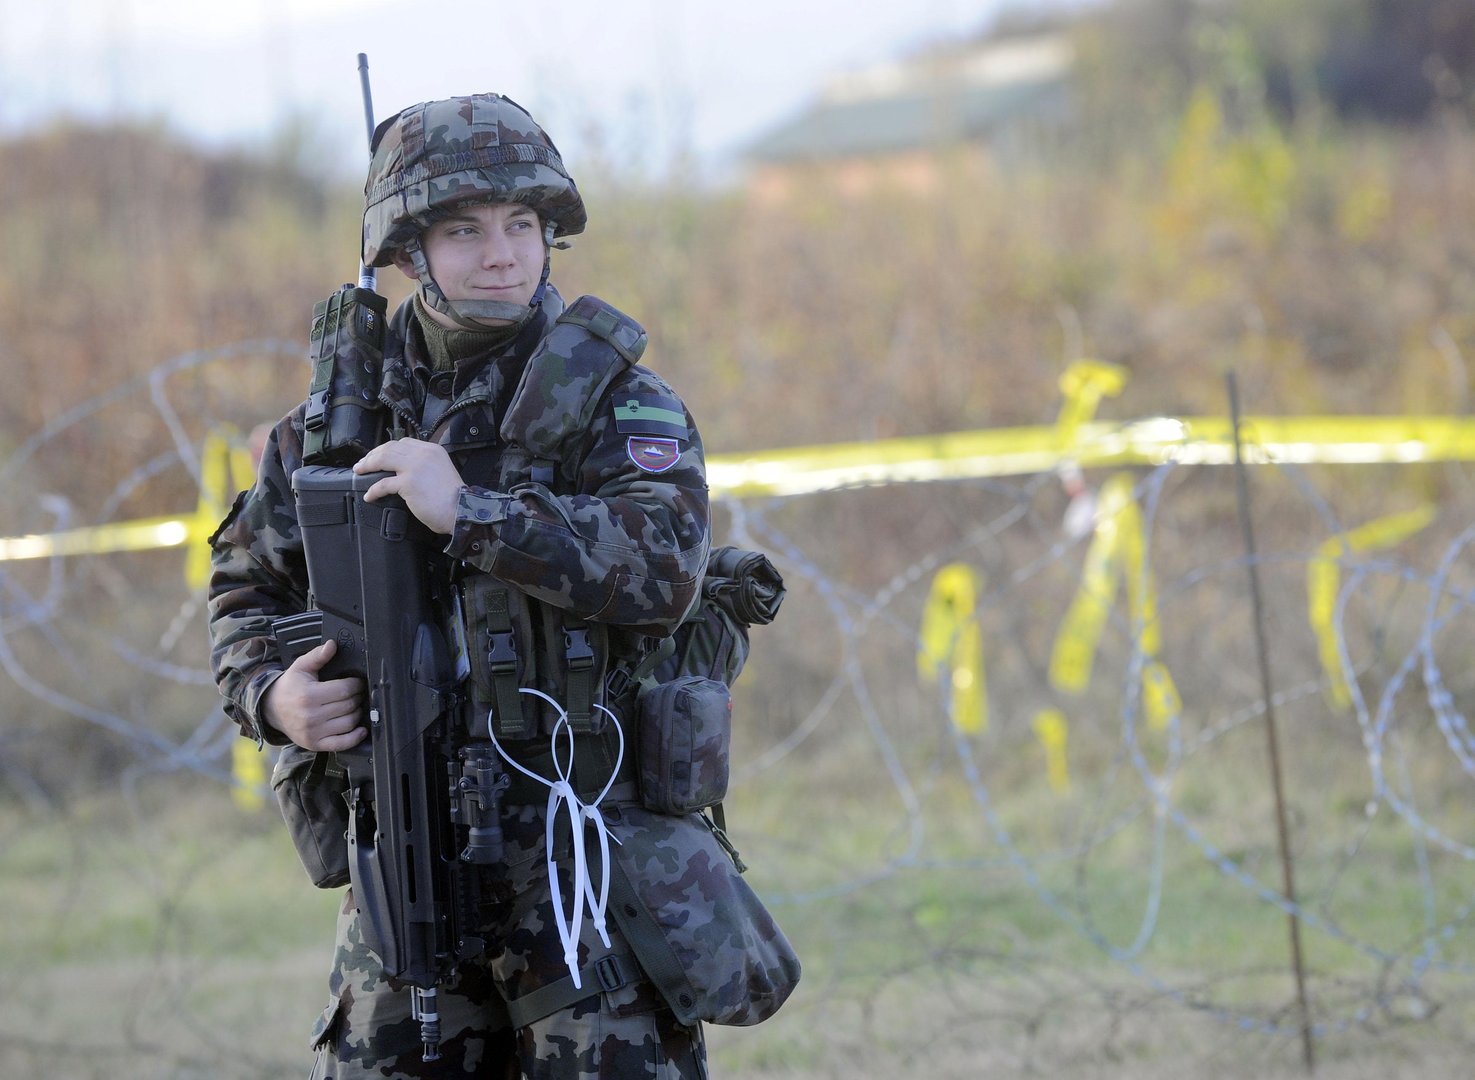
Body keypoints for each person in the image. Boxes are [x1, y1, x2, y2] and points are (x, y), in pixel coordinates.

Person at [208, 92, 716, 1078]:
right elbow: (244, 587)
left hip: (581, 850)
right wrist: (273, 691)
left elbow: (662, 574)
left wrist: (471, 514)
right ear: (408, 252)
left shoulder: (615, 397)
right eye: (464, 230)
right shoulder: (332, 424)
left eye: (522, 226)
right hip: (401, 839)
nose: (502, 254)